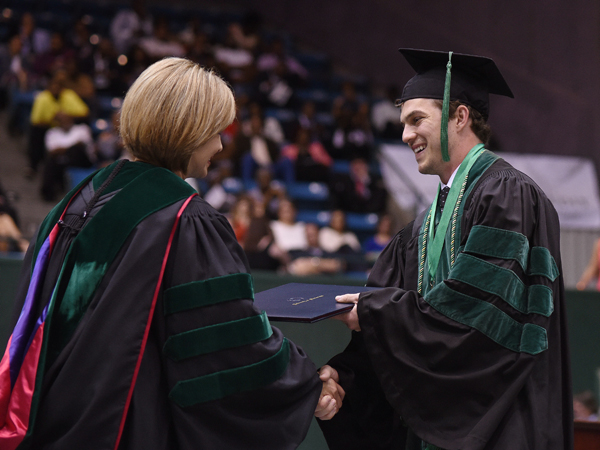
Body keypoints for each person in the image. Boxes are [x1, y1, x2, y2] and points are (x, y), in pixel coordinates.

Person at [0, 57, 343, 449]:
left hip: (49, 423)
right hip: (125, 430)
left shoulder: (73, 204)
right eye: (215, 130)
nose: (220, 143)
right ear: (188, 130)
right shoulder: (184, 218)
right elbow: (223, 346)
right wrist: (303, 382)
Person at [318, 49, 572, 449]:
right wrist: (341, 382)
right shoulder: (421, 228)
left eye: (416, 119)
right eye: (403, 123)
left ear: (459, 117)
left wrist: (374, 313)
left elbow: (479, 316)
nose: (405, 135)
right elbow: (394, 329)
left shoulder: (509, 196)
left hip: (505, 423)